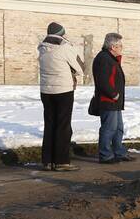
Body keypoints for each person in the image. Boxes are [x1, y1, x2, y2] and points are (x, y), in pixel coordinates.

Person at [37, 21, 83, 172]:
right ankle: (62, 161)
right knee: (63, 126)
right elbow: (81, 67)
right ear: (61, 34)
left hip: (45, 91)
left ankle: (47, 161)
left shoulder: (42, 48)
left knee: (49, 124)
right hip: (63, 90)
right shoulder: (65, 48)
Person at [90, 33, 131, 164]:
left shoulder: (111, 58)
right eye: (120, 46)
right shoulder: (104, 59)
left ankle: (119, 152)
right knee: (108, 129)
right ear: (113, 46)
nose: (121, 48)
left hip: (115, 101)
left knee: (118, 128)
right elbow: (103, 81)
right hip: (108, 100)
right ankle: (105, 155)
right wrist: (113, 94)